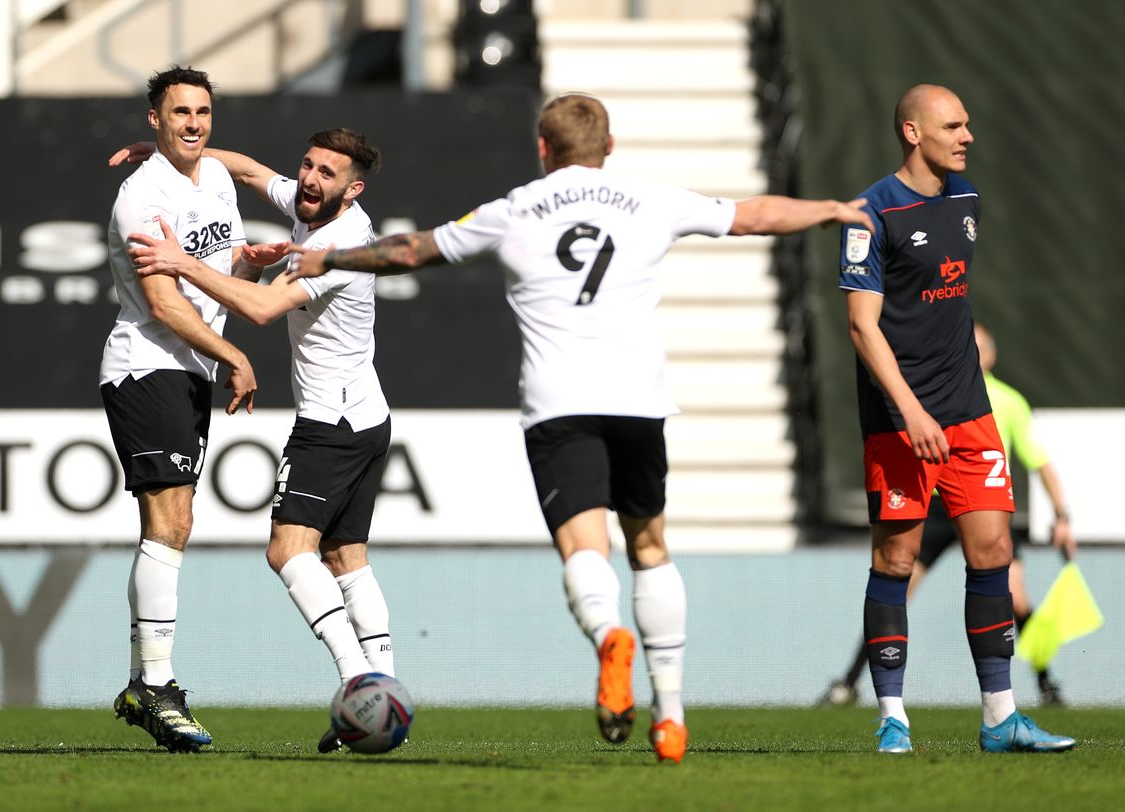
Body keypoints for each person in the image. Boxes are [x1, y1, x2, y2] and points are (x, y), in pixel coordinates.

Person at [241, 93, 876, 764]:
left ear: (543, 149)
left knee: (585, 548)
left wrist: (332, 259)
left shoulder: (513, 210)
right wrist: (831, 210)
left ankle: (608, 637)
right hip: (641, 401)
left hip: (562, 404)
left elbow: (409, 251)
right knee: (651, 548)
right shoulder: (650, 197)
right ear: (610, 146)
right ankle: (671, 714)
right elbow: (754, 215)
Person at [119, 129, 395, 754]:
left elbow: (264, 311)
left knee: (288, 552)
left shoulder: (341, 243)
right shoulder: (310, 203)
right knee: (347, 556)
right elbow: (245, 168)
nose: (310, 180)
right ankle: (387, 694)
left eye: (329, 174)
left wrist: (182, 262)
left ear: (353, 190)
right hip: (367, 415)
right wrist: (172, 156)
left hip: (332, 423)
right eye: (307, 165)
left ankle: (360, 685)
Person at [837, 83, 1075, 754]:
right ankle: (892, 718)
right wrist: (909, 409)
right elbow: (861, 326)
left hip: (969, 411)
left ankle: (1000, 717)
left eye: (968, 123)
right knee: (897, 556)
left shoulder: (967, 200)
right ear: (914, 132)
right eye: (953, 125)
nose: (968, 135)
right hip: (899, 419)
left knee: (994, 551)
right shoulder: (870, 213)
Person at [100, 65, 259, 753]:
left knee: (173, 523)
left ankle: (145, 682)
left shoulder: (215, 179)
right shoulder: (142, 198)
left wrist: (249, 265)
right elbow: (165, 305)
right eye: (179, 113)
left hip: (187, 368)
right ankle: (157, 686)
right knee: (172, 519)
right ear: (154, 120)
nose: (193, 122)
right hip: (147, 365)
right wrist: (234, 354)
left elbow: (215, 276)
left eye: (202, 112)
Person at [820, 321, 1077, 709]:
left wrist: (1062, 516)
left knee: (1016, 599)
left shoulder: (1007, 401)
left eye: (974, 346)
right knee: (896, 585)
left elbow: (1039, 462)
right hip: (935, 504)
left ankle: (1046, 683)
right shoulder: (932, 388)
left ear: (988, 355)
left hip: (982, 503)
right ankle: (852, 683)